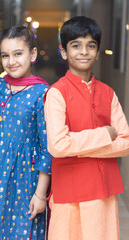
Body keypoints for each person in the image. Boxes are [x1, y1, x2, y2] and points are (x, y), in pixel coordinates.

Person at [44, 16, 129, 240]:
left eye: (91, 45)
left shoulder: (108, 93)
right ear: (64, 52)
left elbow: (126, 142)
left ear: (98, 52)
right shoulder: (56, 93)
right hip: (69, 192)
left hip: (103, 191)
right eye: (76, 45)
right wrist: (104, 135)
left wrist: (76, 144)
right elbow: (58, 146)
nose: (84, 51)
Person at [0, 26, 52, 240]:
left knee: (20, 231)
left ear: (32, 54)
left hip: (26, 180)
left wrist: (41, 195)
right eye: (5, 55)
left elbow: (47, 148)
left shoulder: (42, 94)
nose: (11, 61)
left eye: (18, 53)